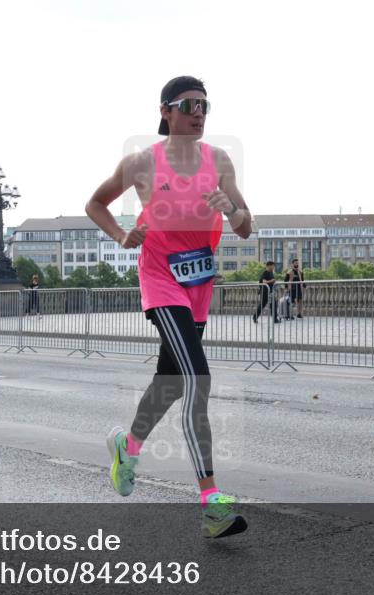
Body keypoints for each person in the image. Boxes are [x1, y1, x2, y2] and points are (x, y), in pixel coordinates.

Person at [86, 75, 253, 538]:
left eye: (205, 105)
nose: (198, 112)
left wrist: (231, 210)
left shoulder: (219, 161)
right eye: (188, 104)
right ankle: (211, 501)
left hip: (198, 282)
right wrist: (122, 236)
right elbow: (95, 204)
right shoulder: (141, 163)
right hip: (160, 280)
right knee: (197, 379)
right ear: (166, 111)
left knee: (170, 383)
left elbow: (245, 226)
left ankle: (128, 445)